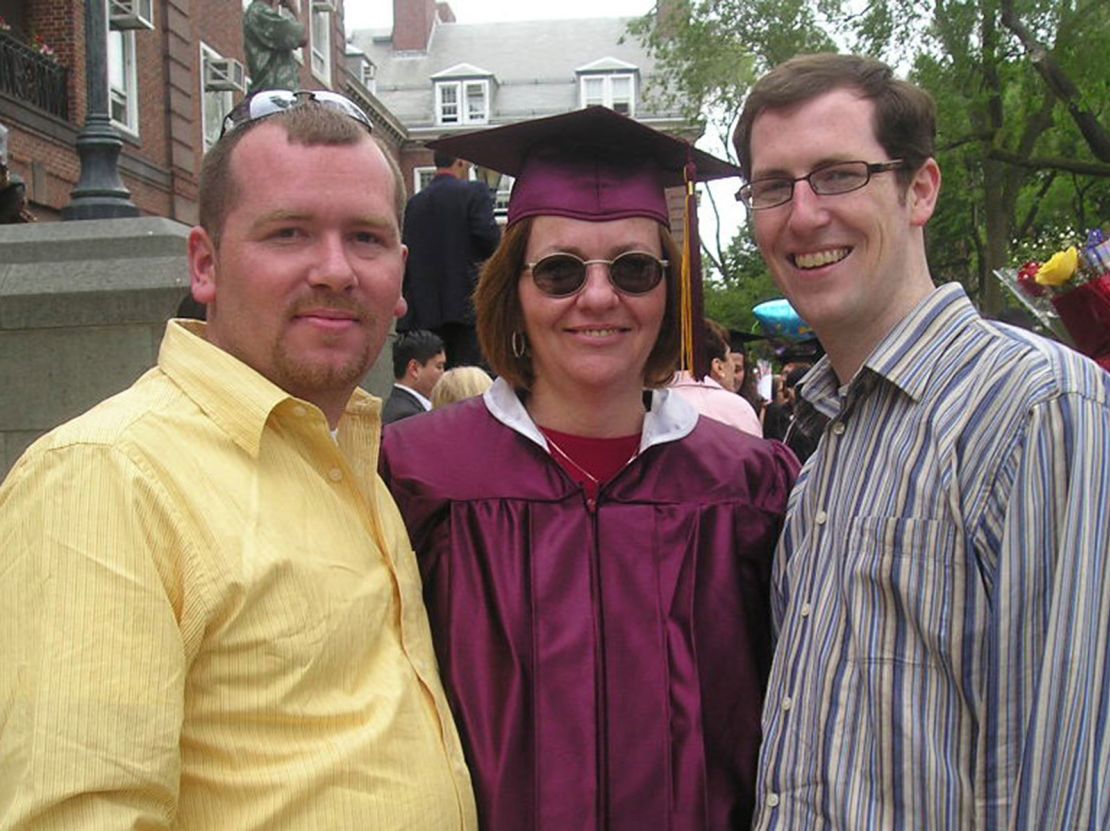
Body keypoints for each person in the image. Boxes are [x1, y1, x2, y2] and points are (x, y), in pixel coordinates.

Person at [0, 90, 476, 829]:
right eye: (288, 233)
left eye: (367, 238)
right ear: (205, 264)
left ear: (402, 276)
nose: (335, 270)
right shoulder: (107, 476)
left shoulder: (353, 463)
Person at [380, 106, 800, 830]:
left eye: (635, 269)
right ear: (514, 286)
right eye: (560, 270)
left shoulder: (751, 487)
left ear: (670, 290)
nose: (599, 296)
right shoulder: (416, 476)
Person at [733, 53, 1110, 828]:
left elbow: (1059, 785)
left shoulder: (1036, 408)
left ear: (921, 189)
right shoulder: (820, 463)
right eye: (774, 186)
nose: (803, 215)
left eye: (839, 174)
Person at [400, 150, 501, 367]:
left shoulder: (415, 204)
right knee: (466, 380)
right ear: (461, 162)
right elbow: (489, 240)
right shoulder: (474, 192)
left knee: (432, 381)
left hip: (423, 309)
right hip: (464, 305)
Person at [670, 317, 763, 436]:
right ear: (718, 367)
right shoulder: (735, 408)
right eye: (729, 357)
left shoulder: (650, 403)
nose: (733, 369)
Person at [383, 328, 446, 424]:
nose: (443, 373)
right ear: (414, 369)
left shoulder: (402, 407)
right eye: (439, 367)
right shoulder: (407, 416)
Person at [243, 0, 306, 93]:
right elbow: (303, 37)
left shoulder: (261, 12)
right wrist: (295, 9)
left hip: (273, 92)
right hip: (274, 93)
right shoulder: (260, 12)